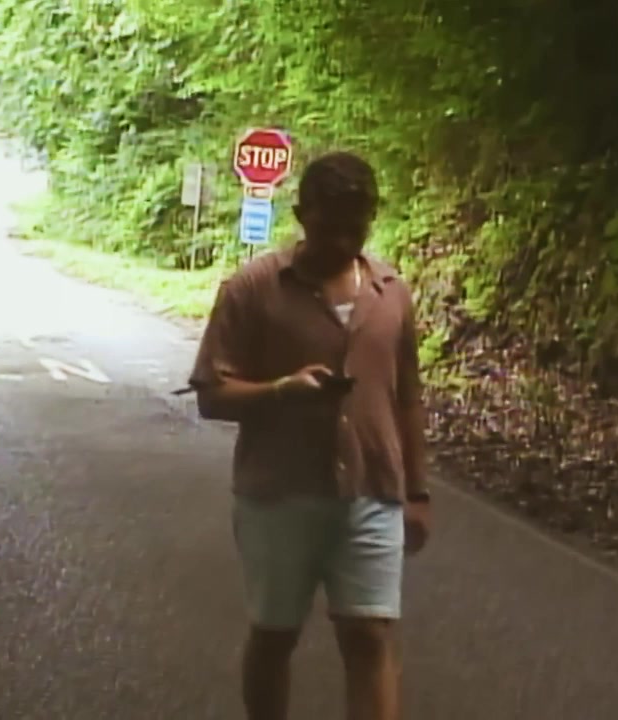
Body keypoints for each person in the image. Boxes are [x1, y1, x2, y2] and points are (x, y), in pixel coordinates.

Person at [189, 151, 430, 720]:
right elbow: (211, 393)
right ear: (301, 215)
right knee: (275, 636)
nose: (343, 240)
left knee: (369, 636)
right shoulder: (253, 288)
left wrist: (417, 492)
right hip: (279, 494)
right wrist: (280, 390)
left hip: (372, 490)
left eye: (356, 226)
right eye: (329, 226)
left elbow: (407, 396)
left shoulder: (391, 292)